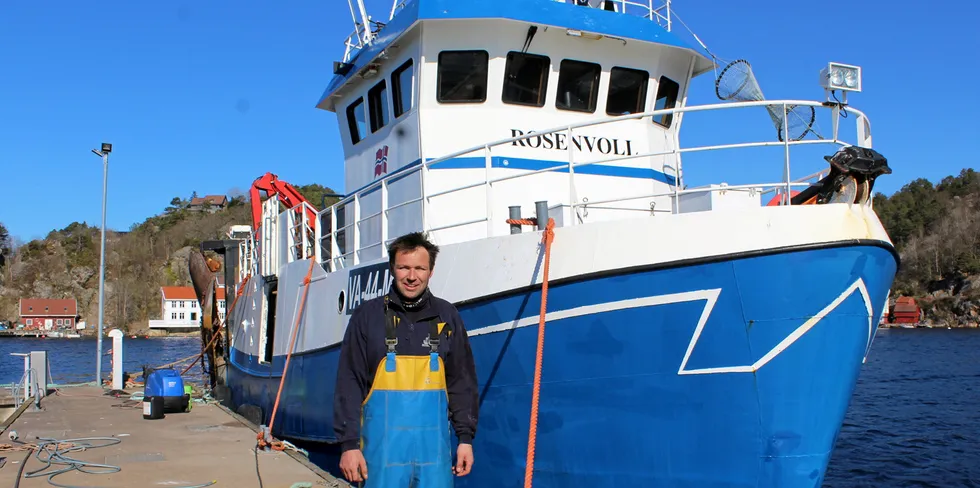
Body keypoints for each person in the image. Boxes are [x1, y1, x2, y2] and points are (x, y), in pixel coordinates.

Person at [333, 231, 479, 487]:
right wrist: (349, 445)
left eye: (420, 268)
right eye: (404, 268)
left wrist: (465, 439)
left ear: (431, 271)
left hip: (434, 459)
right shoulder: (367, 316)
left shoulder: (448, 316)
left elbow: (462, 383)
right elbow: (349, 382)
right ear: (392, 268)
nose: (412, 276)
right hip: (380, 459)